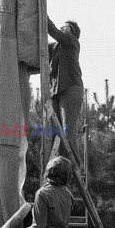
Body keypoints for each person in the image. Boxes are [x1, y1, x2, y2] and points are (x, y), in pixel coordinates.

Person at [48, 16, 84, 159]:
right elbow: (39, 44)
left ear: (72, 32)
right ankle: (56, 168)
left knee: (67, 130)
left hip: (71, 89)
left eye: (66, 28)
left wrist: (41, 12)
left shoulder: (72, 41)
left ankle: (73, 166)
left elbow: (54, 31)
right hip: (56, 92)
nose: (63, 28)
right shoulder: (55, 47)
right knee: (53, 133)